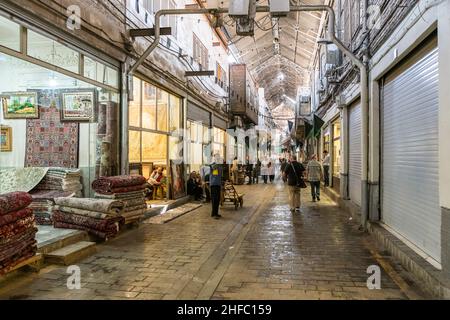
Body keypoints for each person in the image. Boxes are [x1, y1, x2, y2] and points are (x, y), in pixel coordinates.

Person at [210, 154, 223, 219]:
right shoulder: (213, 164)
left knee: (217, 199)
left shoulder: (219, 165)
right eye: (218, 157)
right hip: (214, 184)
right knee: (214, 199)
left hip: (218, 184)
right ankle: (214, 214)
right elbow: (214, 168)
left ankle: (215, 213)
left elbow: (220, 175)